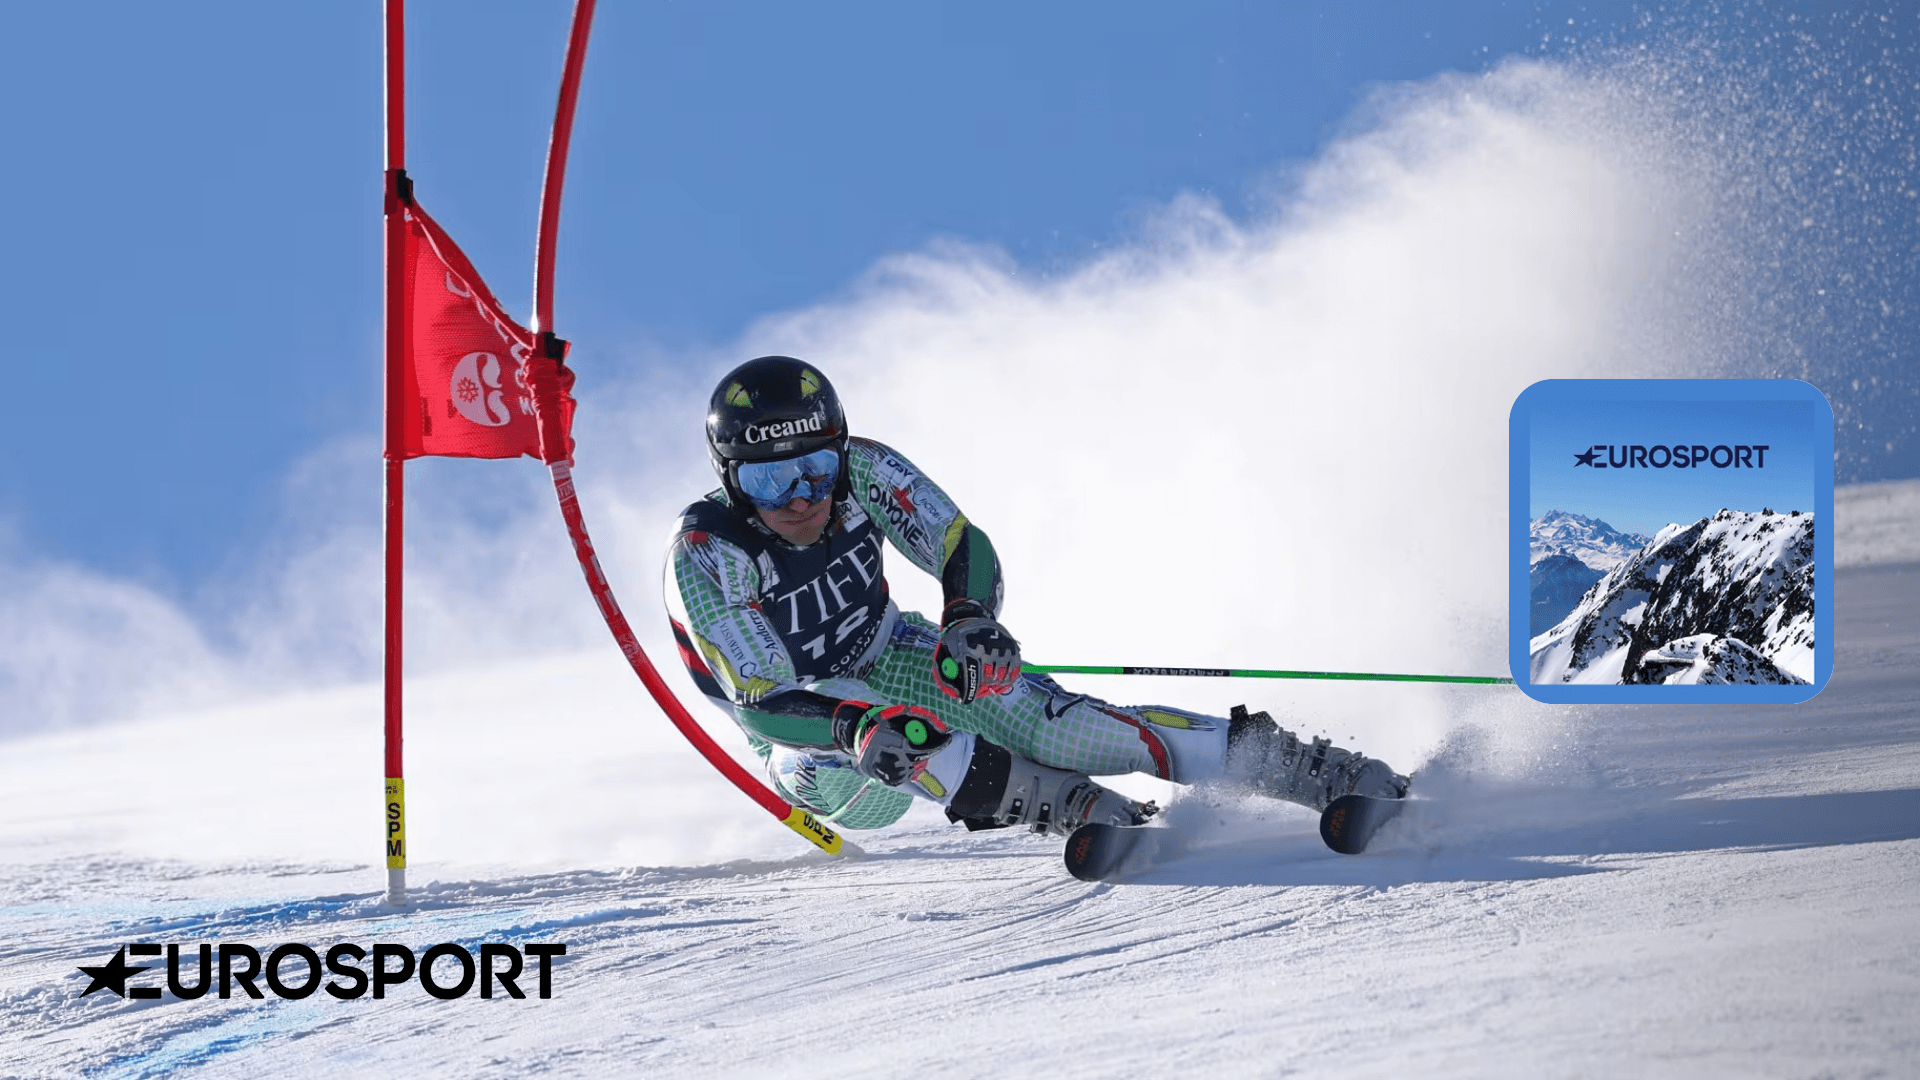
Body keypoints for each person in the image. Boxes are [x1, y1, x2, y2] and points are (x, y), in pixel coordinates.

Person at [663, 355, 1409, 837]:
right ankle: (1056, 801)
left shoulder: (864, 470)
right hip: (804, 730)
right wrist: (852, 724)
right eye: (769, 480)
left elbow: (958, 541)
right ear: (730, 477)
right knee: (881, 751)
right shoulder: (709, 550)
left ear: (839, 450)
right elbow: (763, 701)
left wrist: (969, 619)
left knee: (1050, 723)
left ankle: (1307, 768)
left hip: (888, 647)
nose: (800, 497)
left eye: (816, 470)